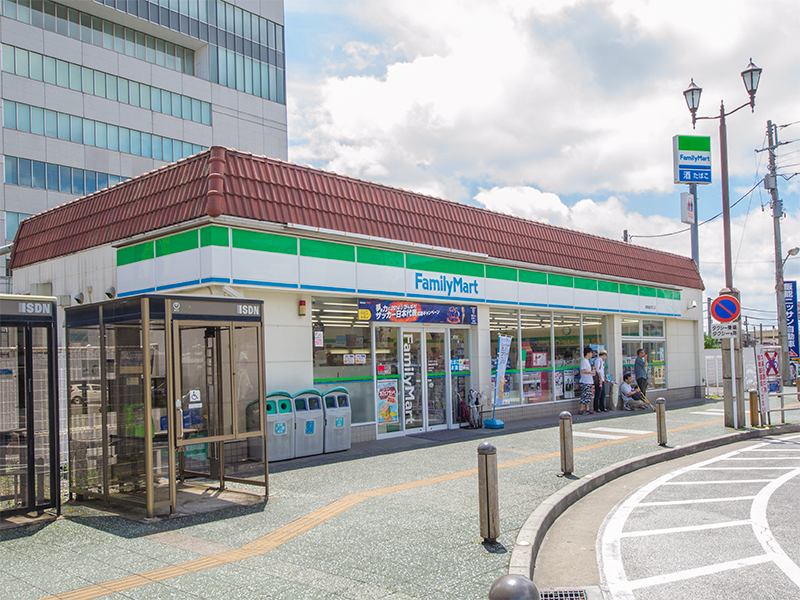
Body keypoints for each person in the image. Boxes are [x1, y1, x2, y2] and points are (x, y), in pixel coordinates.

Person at [579, 346, 595, 415]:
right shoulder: (584, 361)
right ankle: (581, 409)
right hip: (585, 381)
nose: (592, 355)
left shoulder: (587, 361)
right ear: (588, 353)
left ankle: (587, 409)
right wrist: (591, 372)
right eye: (591, 353)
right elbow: (583, 370)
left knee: (588, 396)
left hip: (588, 381)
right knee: (585, 395)